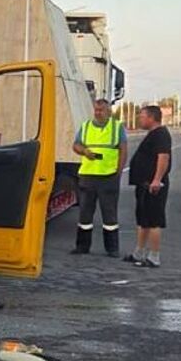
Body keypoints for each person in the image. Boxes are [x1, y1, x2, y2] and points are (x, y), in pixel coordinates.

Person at [70, 97, 126, 256]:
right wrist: (84, 151)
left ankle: (112, 248)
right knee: (85, 213)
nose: (98, 113)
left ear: (109, 112)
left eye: (101, 110)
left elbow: (123, 149)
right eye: (96, 110)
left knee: (109, 214)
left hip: (108, 177)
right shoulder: (86, 126)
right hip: (88, 176)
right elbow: (76, 145)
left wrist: (118, 172)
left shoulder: (117, 127)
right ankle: (82, 247)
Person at [127, 104, 172, 268]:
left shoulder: (160, 134)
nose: (140, 118)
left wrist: (156, 179)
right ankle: (138, 253)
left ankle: (154, 257)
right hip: (144, 185)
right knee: (143, 220)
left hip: (154, 186)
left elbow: (163, 157)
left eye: (142, 116)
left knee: (154, 221)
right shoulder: (153, 134)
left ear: (152, 118)